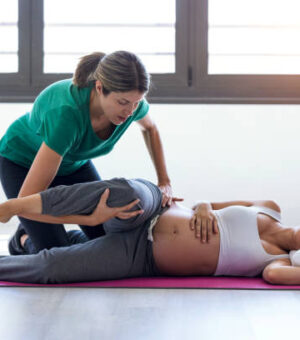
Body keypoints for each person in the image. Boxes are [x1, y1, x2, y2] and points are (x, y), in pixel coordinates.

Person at [0, 51, 180, 256]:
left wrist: (164, 180)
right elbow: (21, 205)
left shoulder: (131, 104)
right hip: (21, 162)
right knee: (59, 256)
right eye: (123, 102)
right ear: (99, 87)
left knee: (114, 245)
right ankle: (22, 239)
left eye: (136, 102)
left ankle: (52, 235)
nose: (130, 111)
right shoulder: (65, 114)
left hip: (73, 164)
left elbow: (150, 129)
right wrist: (90, 218)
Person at [0, 178, 300, 285]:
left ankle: (24, 242)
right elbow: (204, 203)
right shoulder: (269, 207)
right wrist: (206, 207)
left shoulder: (278, 263)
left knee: (52, 266)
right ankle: (14, 207)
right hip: (155, 209)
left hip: (140, 256)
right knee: (123, 191)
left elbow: (275, 279)